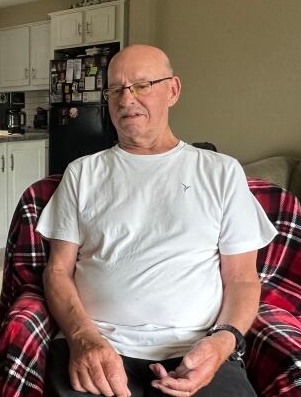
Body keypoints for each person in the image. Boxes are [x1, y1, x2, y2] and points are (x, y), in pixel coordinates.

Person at [37, 45, 278, 397]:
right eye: (115, 89)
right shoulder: (82, 173)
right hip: (98, 345)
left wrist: (222, 343)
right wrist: (82, 338)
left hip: (196, 350)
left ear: (173, 90)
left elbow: (242, 279)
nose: (126, 98)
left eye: (141, 85)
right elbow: (58, 271)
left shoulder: (221, 172)